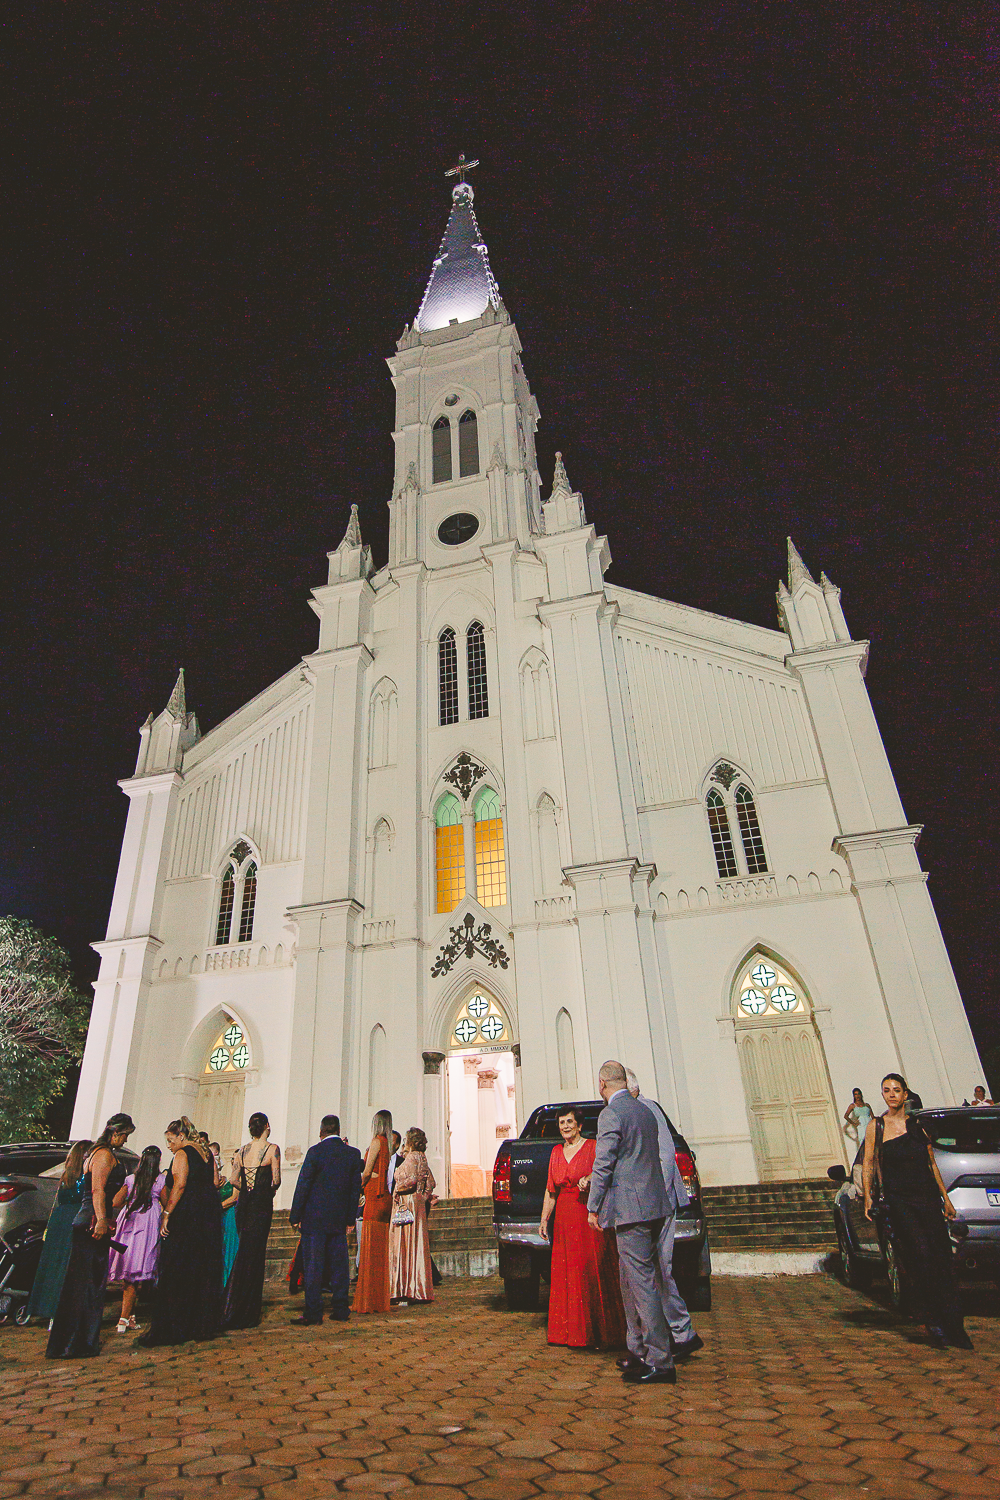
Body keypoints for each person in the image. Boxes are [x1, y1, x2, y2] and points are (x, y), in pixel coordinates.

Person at [863, 1072, 972, 1350]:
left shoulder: (918, 1125)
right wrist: (868, 1199)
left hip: (926, 1198)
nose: (891, 1095)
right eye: (886, 1090)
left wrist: (945, 1199)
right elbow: (868, 1163)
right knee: (921, 1256)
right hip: (900, 1201)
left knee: (942, 1261)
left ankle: (955, 1327)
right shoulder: (876, 1126)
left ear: (905, 1094)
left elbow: (932, 1164)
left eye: (896, 1090)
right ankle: (933, 1320)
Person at [587, 1061, 675, 1384]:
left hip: (631, 1210)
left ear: (602, 1084)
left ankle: (661, 1360)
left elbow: (604, 1162)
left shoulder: (611, 1114)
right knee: (630, 1280)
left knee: (642, 1284)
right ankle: (639, 1351)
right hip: (653, 1205)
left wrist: (593, 1205)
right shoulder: (646, 1111)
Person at [625, 1069, 703, 1360]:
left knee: (658, 1270)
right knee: (655, 1272)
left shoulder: (646, 1109)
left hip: (656, 1203)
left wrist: (653, 1199)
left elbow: (665, 1156)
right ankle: (676, 1334)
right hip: (650, 1202)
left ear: (631, 1089)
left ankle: (681, 1333)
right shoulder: (640, 1109)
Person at [46, 1114, 135, 1359]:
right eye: (125, 1134)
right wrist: (102, 1220)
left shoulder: (93, 1153)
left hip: (88, 1220)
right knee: (89, 1284)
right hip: (91, 1223)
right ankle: (78, 1343)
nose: (125, 1139)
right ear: (116, 1133)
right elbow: (97, 1190)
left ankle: (71, 1341)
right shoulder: (104, 1154)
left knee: (81, 1284)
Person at [539, 1106, 626, 1349]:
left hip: (588, 1215)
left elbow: (607, 1175)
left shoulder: (593, 1147)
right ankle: (567, 1333)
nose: (565, 1126)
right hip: (564, 1219)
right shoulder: (556, 1152)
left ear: (579, 1125)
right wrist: (544, 1219)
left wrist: (590, 1181)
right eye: (561, 1123)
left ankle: (598, 1333)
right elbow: (550, 1190)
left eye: (569, 1122)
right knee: (566, 1272)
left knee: (590, 1269)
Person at [138, 1117, 223, 1347]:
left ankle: (176, 1323)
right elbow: (215, 1182)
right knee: (203, 1267)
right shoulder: (207, 1154)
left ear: (181, 1136)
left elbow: (180, 1184)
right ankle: (201, 1323)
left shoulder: (183, 1154)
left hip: (189, 1215)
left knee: (178, 1266)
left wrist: (167, 1214)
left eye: (170, 1140)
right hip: (210, 1214)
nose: (168, 1145)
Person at [289, 1113, 363, 1325]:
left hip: (314, 1219)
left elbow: (304, 1184)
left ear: (321, 1131)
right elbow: (354, 1189)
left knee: (314, 1266)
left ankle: (313, 1312)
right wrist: (350, 1218)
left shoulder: (315, 1152)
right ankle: (340, 1308)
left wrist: (295, 1215)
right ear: (338, 1131)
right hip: (338, 1219)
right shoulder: (352, 1154)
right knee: (339, 1265)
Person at [223, 1112, 281, 1330]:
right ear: (267, 1125)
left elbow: (233, 1179)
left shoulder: (242, 1151)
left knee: (244, 1252)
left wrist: (247, 1189)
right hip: (260, 1205)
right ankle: (248, 1310)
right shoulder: (272, 1149)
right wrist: (265, 1189)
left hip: (245, 1206)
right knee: (255, 1255)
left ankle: (235, 1304)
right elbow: (276, 1179)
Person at [25, 1140, 92, 1326]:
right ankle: (59, 1312)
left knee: (51, 1266)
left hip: (59, 1219)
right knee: (66, 1266)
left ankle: (43, 1308)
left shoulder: (66, 1175)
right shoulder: (86, 1177)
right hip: (74, 1217)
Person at [108, 1145, 166, 1332]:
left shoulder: (131, 1179)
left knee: (130, 1270)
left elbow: (116, 1201)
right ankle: (124, 1318)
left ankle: (130, 1316)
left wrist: (130, 1201)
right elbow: (167, 1202)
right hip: (149, 1225)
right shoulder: (160, 1180)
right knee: (136, 1273)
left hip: (130, 1223)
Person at [390, 1127, 437, 1306]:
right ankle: (418, 1286)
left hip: (407, 1203)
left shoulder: (411, 1158)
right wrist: (423, 1197)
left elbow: (410, 1180)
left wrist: (397, 1188)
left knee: (405, 1243)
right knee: (417, 1244)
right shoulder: (422, 1158)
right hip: (417, 1205)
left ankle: (404, 1288)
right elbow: (430, 1182)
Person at [353, 1109, 393, 1313]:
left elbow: (368, 1170)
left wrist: (357, 1186)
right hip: (384, 1196)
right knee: (379, 1249)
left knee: (369, 1246)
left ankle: (368, 1299)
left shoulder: (377, 1141)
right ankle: (378, 1297)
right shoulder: (388, 1143)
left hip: (373, 1195)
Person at [212, 1142, 240, 1285]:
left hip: (231, 1216)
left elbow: (234, 1198)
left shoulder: (239, 1178)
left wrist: (216, 1207)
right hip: (222, 1217)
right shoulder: (227, 1179)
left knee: (230, 1248)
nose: (234, 1161)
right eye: (233, 1159)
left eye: (237, 1158)